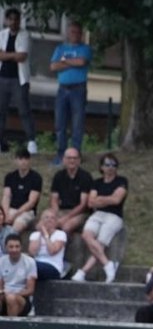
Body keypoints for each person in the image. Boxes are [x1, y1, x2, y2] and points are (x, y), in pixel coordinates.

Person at [72, 153, 127, 283]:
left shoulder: (121, 181)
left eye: (113, 165)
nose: (110, 167)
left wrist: (101, 199)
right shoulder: (96, 182)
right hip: (98, 214)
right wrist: (108, 198)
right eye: (107, 164)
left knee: (101, 242)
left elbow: (117, 200)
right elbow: (91, 203)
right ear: (101, 167)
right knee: (87, 235)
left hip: (114, 216)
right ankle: (108, 264)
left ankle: (82, 272)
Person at [49, 21, 92, 164]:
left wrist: (64, 61)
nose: (75, 35)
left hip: (78, 89)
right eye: (73, 32)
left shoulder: (85, 48)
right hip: (62, 89)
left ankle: (75, 155)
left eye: (78, 32)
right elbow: (54, 66)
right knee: (60, 123)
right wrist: (70, 62)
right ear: (68, 33)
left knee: (77, 123)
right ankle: (61, 155)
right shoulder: (60, 48)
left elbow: (81, 62)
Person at [0, 8, 34, 155]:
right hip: (2, 77)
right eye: (11, 19)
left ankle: (31, 141)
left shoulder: (25, 35)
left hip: (19, 79)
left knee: (24, 110)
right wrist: (12, 55)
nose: (14, 22)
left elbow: (22, 57)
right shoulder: (2, 35)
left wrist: (5, 55)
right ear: (6, 20)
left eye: (16, 19)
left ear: (19, 21)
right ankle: (1, 143)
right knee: (1, 112)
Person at [49, 147, 91, 235]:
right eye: (69, 158)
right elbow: (54, 199)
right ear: (63, 159)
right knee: (43, 223)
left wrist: (66, 217)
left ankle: (60, 248)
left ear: (79, 160)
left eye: (75, 158)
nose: (72, 161)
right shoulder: (58, 176)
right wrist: (55, 214)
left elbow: (83, 205)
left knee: (66, 227)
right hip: (61, 210)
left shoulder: (86, 177)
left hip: (79, 213)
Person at [3, 147, 42, 234]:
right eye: (20, 159)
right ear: (16, 160)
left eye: (26, 159)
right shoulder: (10, 177)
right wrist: (5, 214)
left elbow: (31, 202)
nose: (23, 162)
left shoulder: (36, 178)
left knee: (16, 226)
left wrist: (15, 214)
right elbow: (6, 197)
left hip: (27, 212)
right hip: (10, 209)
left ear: (29, 160)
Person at [0, 234, 36, 317]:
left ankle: (12, 328)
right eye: (11, 247)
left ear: (21, 247)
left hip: (22, 298)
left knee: (11, 298)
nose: (14, 249)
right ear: (6, 247)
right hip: (5, 295)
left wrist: (12, 294)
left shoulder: (30, 262)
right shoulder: (1, 262)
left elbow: (30, 290)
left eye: (17, 246)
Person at [28, 210, 66, 281]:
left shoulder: (60, 234)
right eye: (46, 217)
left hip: (53, 267)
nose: (49, 220)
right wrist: (40, 234)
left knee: (31, 266)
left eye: (52, 218)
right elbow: (32, 252)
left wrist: (46, 235)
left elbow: (52, 251)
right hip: (36, 265)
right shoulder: (35, 235)